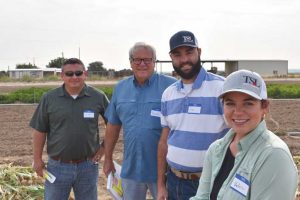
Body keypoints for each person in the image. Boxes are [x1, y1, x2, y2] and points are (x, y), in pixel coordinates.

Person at [190, 70, 299, 200]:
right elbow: (201, 197)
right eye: (230, 103)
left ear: (264, 106)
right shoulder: (216, 149)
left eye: (248, 103)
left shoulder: (274, 155)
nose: (238, 112)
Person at [157, 30, 228, 200]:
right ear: (171, 57)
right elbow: (163, 142)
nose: (184, 60)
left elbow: (240, 137)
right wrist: (161, 184)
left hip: (210, 182)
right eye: (177, 54)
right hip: (174, 182)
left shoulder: (222, 88)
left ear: (199, 52)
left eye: (189, 52)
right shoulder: (168, 94)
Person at [103, 42, 177, 200]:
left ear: (154, 62)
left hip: (164, 170)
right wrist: (108, 158)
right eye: (137, 60)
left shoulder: (171, 87)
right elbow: (113, 126)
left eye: (147, 60)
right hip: (132, 168)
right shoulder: (121, 88)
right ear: (130, 62)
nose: (142, 64)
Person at [30, 58, 109, 200]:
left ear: (85, 74)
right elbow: (39, 130)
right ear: (62, 76)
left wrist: (103, 149)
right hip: (57, 166)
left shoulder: (98, 97)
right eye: (69, 74)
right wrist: (37, 159)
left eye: (78, 73)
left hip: (88, 166)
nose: (74, 77)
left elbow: (113, 125)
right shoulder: (49, 98)